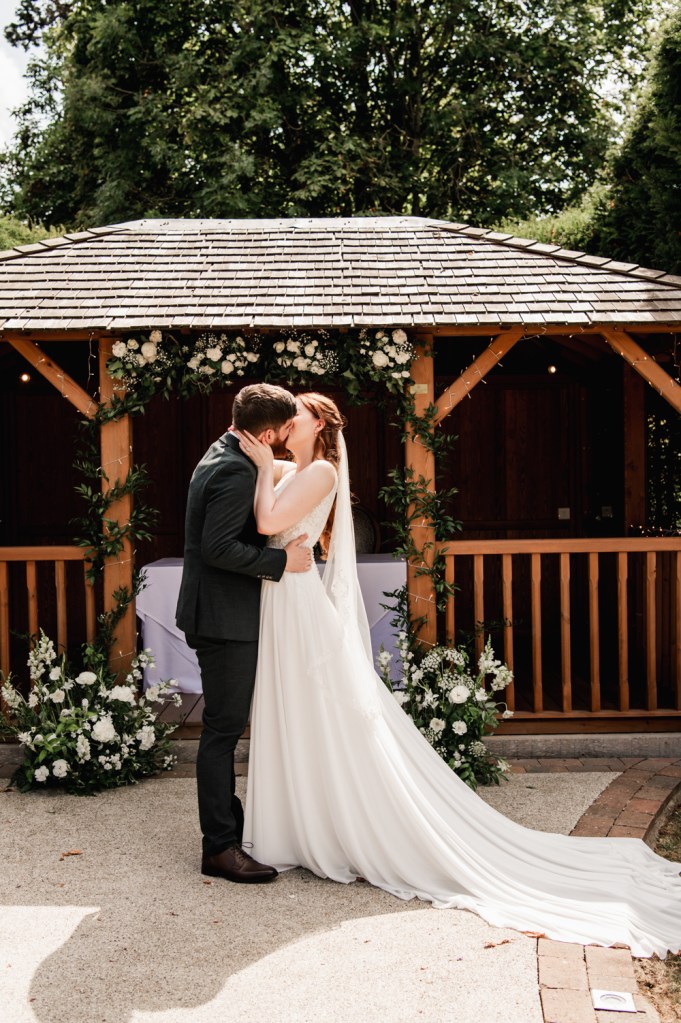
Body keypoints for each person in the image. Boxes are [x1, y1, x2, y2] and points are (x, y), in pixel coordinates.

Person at [235, 391, 681, 958]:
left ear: (319, 423)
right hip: (284, 598)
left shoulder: (320, 469)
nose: (286, 419)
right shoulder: (291, 466)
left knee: (317, 711)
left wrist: (258, 469)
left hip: (297, 604)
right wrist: (264, 464)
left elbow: (268, 518)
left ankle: (331, 824)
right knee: (293, 712)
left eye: (296, 411)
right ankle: (293, 826)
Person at [176, 383, 313, 884]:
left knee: (224, 726)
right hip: (224, 620)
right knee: (222, 731)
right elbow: (217, 548)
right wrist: (282, 561)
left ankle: (230, 825)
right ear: (270, 432)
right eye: (283, 433)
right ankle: (219, 848)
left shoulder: (226, 451)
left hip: (218, 614)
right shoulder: (234, 468)